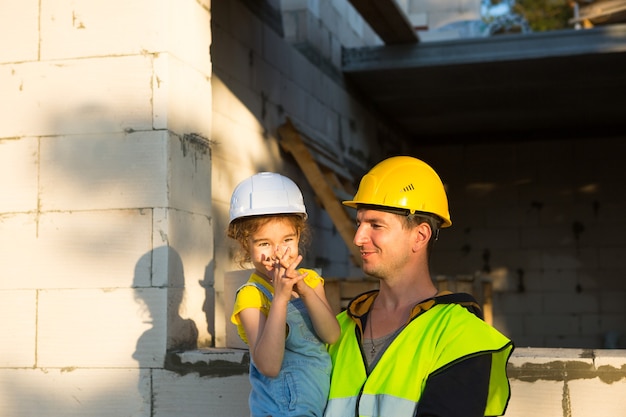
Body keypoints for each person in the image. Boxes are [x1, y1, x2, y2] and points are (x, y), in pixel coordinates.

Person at [324, 156, 514, 417]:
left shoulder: (461, 336)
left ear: (420, 236)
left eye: (375, 225)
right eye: (359, 223)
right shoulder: (337, 329)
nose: (358, 238)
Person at [228, 172, 340, 417]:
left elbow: (331, 335)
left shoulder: (310, 280)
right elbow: (268, 365)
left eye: (287, 239)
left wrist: (306, 292)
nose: (277, 253)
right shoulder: (251, 296)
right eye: (263, 243)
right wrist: (279, 299)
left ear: (299, 236)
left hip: (321, 403)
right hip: (283, 410)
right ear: (245, 244)